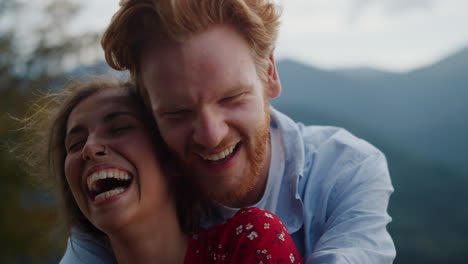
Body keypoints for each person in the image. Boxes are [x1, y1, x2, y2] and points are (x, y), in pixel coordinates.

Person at [63, 0, 396, 263]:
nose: (211, 135)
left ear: (269, 74)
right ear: (150, 113)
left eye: (231, 98)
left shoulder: (346, 170)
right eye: (178, 112)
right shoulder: (129, 206)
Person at [18, 78, 304, 263]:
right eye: (75, 143)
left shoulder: (247, 241)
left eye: (120, 128)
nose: (90, 149)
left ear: (171, 158)